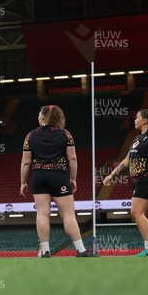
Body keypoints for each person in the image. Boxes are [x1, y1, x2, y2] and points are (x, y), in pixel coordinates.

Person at [20, 105, 94, 257]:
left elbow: (25, 162)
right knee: (68, 215)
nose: (38, 117)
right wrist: (73, 178)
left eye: (39, 114)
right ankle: (81, 250)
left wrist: (23, 182)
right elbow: (72, 158)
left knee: (42, 213)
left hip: (38, 177)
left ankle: (45, 251)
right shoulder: (66, 135)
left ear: (44, 117)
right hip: (59, 176)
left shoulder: (30, 136)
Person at [103, 109, 148, 257]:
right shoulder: (136, 139)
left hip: (147, 178)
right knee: (147, 215)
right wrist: (112, 174)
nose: (134, 120)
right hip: (137, 180)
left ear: (145, 121)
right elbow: (127, 160)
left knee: (136, 213)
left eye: (137, 118)